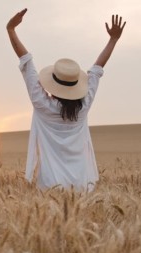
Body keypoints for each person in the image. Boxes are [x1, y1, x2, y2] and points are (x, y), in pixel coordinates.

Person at [7, 9, 126, 191]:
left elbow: (27, 61)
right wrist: (113, 40)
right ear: (76, 86)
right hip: (82, 183)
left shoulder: (42, 104)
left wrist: (11, 30)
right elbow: (97, 69)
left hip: (50, 185)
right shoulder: (84, 106)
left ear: (53, 84)